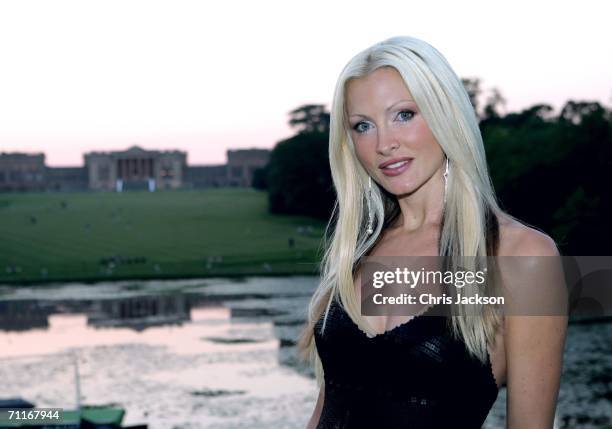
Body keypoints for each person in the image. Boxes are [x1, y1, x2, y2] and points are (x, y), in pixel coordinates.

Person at [298, 36, 568, 428]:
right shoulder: (356, 253)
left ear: (446, 115)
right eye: (363, 126)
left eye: (404, 114)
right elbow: (327, 410)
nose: (385, 144)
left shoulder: (521, 258)